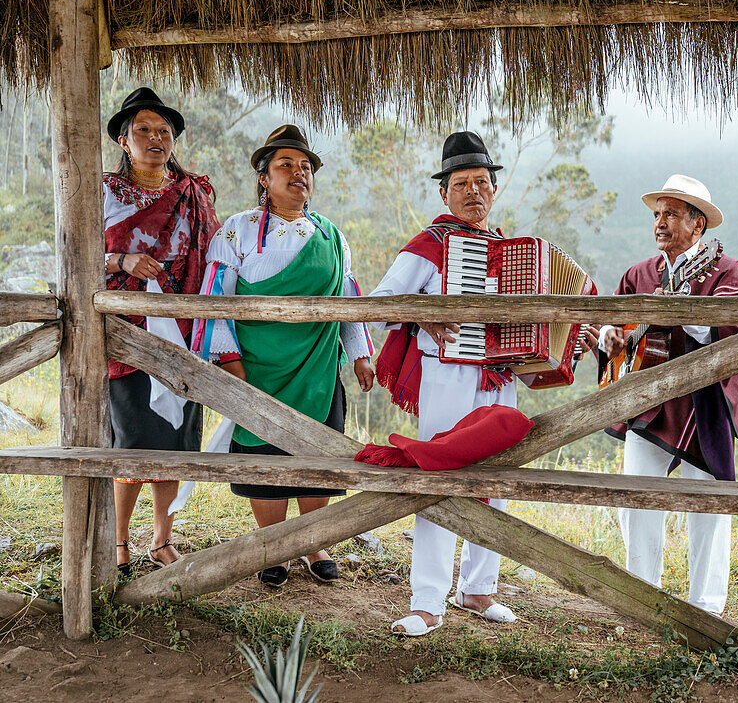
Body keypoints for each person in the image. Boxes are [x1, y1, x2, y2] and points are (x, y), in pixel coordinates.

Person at [193, 125, 375, 588]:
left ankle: (313, 542)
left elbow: (348, 296)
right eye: (286, 165)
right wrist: (230, 364)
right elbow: (215, 296)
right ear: (264, 178)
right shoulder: (236, 231)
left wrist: (359, 354)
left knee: (317, 455)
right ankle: (274, 544)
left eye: (306, 166)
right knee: (264, 455)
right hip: (256, 368)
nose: (300, 173)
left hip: (316, 368)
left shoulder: (332, 235)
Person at [370, 131, 528, 637]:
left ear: (494, 189)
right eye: (462, 184)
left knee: (497, 479)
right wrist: (421, 316)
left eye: (482, 182)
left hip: (500, 377)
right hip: (448, 375)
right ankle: (427, 601)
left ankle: (478, 589)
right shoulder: (429, 246)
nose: (473, 193)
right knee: (437, 477)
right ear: (444, 193)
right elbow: (380, 302)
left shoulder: (512, 251)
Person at [598, 174, 738, 615]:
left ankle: (705, 608)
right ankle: (643, 597)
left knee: (708, 506)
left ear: (698, 225)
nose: (660, 222)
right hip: (648, 402)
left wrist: (684, 313)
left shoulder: (725, 269)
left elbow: (736, 326)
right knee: (637, 499)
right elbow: (613, 321)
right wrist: (611, 337)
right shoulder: (639, 273)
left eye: (671, 213)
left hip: (704, 404)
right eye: (657, 214)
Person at [103, 87, 221, 575]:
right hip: (129, 334)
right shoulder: (101, 193)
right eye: (144, 130)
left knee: (175, 438)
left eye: (164, 132)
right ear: (124, 141)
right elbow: (72, 255)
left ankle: (162, 538)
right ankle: (119, 541)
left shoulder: (193, 193)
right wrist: (122, 259)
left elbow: (214, 258)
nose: (156, 138)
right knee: (134, 440)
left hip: (182, 330)